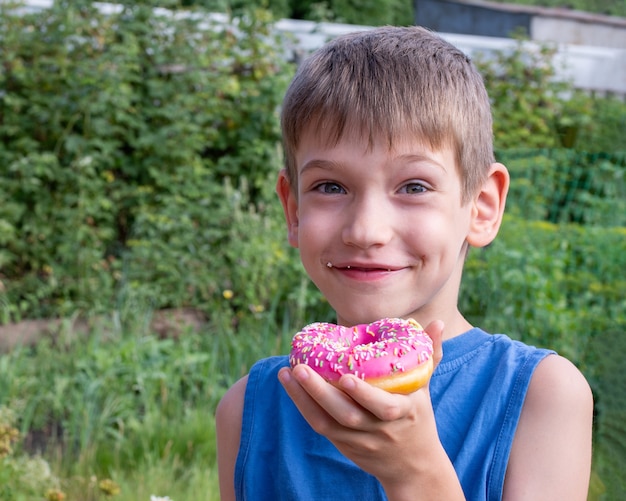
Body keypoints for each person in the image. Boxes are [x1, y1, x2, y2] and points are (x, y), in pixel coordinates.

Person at [215, 26, 593, 501]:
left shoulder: (541, 397)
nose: (367, 230)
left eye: (414, 187)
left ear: (481, 207)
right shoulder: (248, 409)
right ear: (293, 211)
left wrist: (415, 475)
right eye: (330, 186)